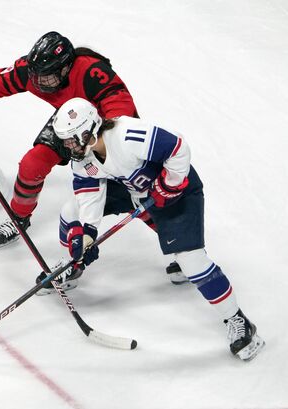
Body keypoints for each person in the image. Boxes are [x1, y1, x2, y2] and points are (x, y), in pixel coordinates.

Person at [39, 97, 264, 361]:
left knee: (191, 261)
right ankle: (73, 265)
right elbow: (89, 195)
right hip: (135, 191)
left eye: (69, 140)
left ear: (87, 131)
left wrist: (169, 185)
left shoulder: (127, 135)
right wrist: (87, 234)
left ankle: (237, 320)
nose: (66, 146)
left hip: (178, 192)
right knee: (70, 210)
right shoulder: (83, 159)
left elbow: (177, 147)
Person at [0, 31, 140, 247]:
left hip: (108, 128)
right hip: (71, 120)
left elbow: (122, 112)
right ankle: (18, 218)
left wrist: (106, 146)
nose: (39, 82)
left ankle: (178, 248)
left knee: (140, 187)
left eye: (46, 77)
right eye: (35, 76)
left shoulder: (93, 72)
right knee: (32, 164)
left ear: (65, 68)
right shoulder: (35, 72)